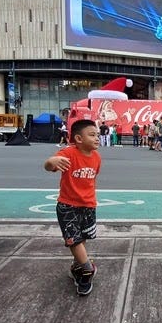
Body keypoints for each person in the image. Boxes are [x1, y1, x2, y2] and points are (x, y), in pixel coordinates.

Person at [44, 119, 100, 296]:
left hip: (88, 205)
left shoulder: (97, 158)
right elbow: (49, 165)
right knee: (73, 240)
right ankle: (87, 269)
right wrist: (52, 161)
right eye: (92, 135)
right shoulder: (68, 154)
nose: (97, 138)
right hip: (68, 206)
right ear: (78, 138)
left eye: (97, 134)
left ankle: (77, 267)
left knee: (81, 238)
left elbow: (92, 180)